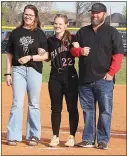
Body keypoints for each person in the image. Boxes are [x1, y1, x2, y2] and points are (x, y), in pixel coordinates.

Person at [70, 3, 124, 150]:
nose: (95, 15)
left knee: (105, 111)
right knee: (88, 111)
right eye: (93, 12)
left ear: (104, 15)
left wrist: (111, 73)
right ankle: (88, 139)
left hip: (104, 79)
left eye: (98, 13)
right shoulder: (82, 32)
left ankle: (102, 140)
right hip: (85, 79)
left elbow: (118, 55)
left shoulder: (112, 32)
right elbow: (72, 51)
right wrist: (79, 51)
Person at [5, 4, 48, 146]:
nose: (28, 16)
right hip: (18, 70)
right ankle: (13, 135)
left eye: (31, 14)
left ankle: (34, 135)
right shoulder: (15, 32)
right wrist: (7, 73)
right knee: (17, 103)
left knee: (34, 104)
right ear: (23, 15)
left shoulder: (40, 33)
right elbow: (10, 54)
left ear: (35, 17)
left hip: (34, 70)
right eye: (26, 14)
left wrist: (31, 56)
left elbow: (45, 55)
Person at [47, 14, 80, 147]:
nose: (57, 26)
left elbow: (78, 52)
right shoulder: (49, 40)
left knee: (72, 108)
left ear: (66, 25)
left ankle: (71, 136)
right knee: (56, 108)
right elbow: (46, 57)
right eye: (55, 23)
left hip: (70, 76)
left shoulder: (72, 38)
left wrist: (77, 48)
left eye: (60, 24)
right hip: (55, 76)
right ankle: (55, 136)